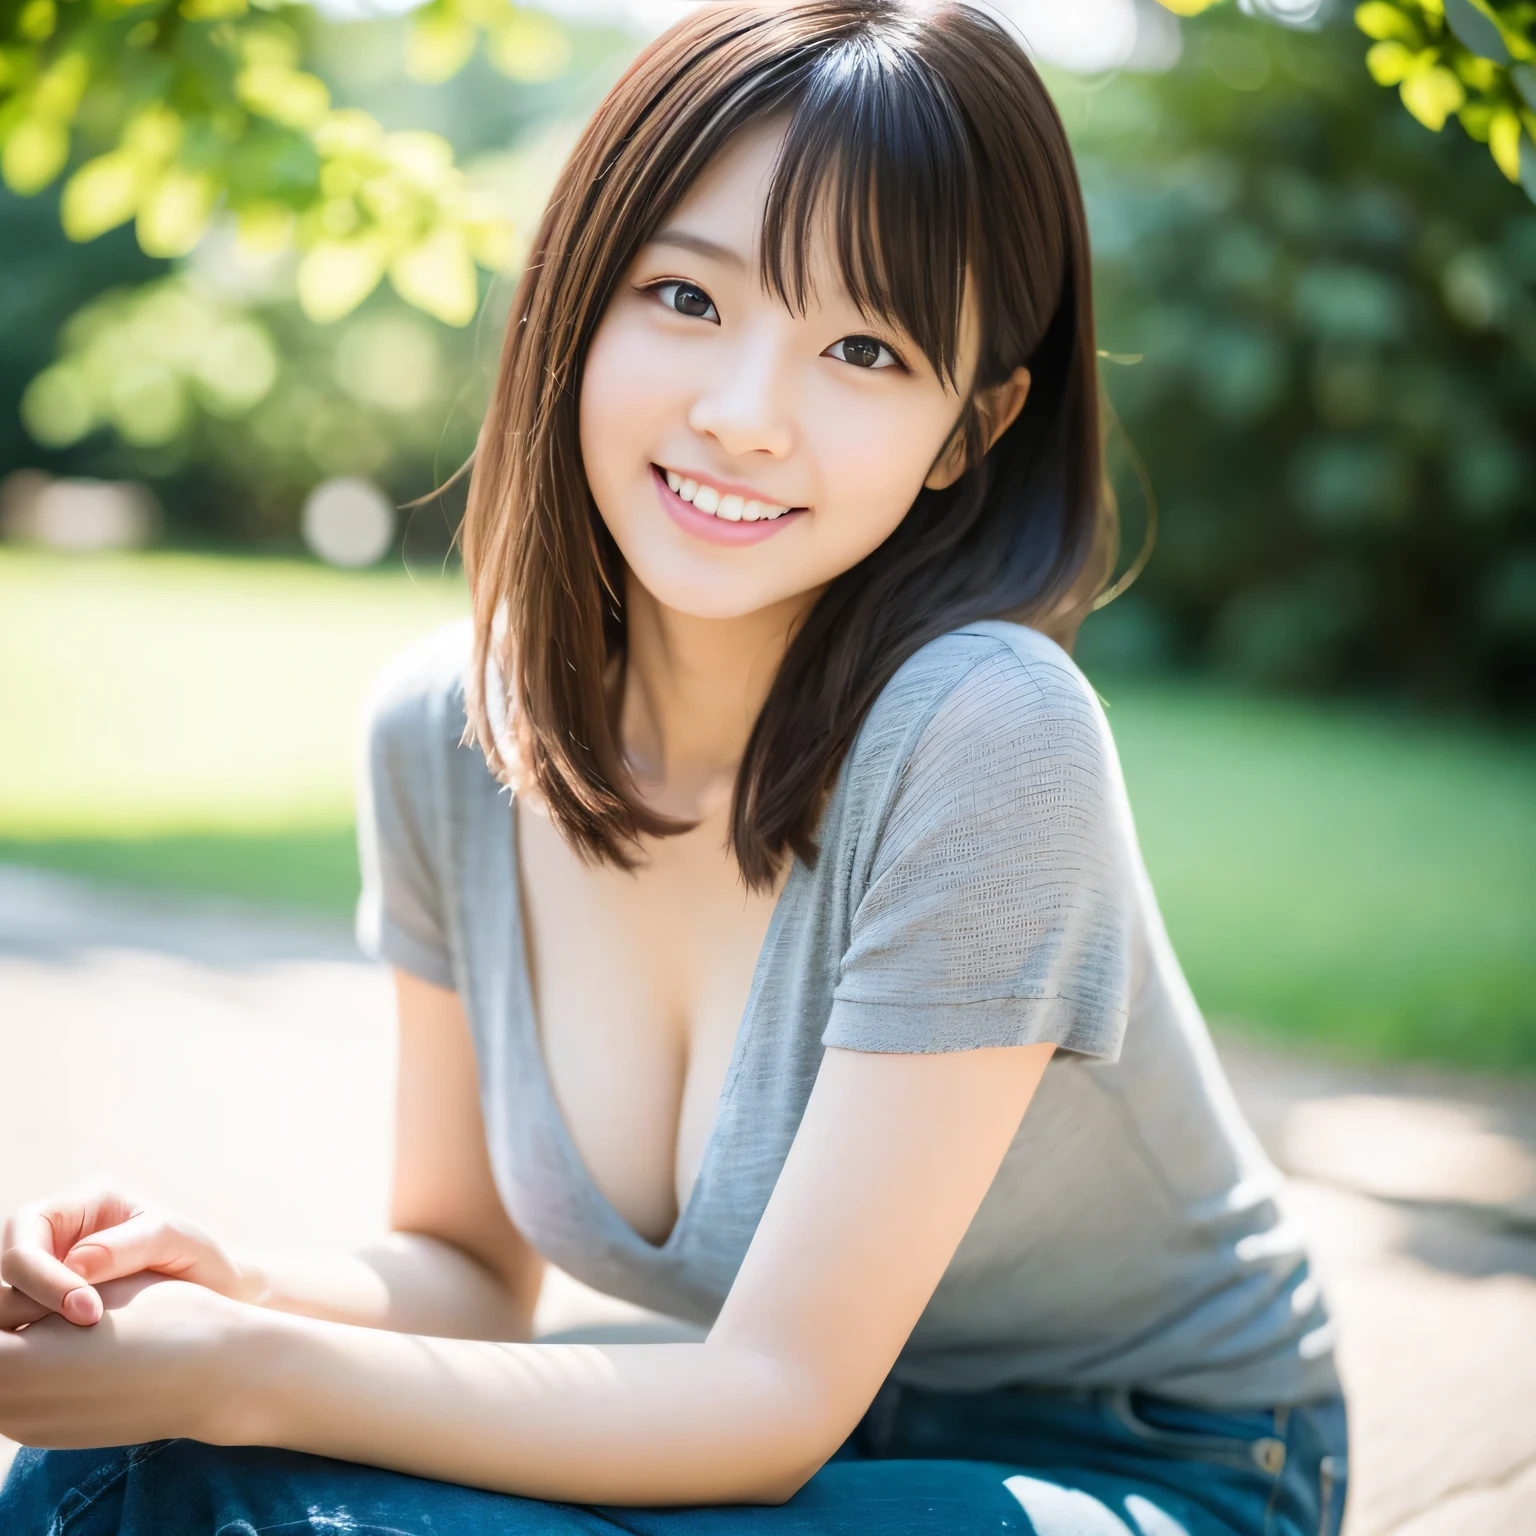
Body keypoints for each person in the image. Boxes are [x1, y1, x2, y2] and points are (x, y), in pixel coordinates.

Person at [0, 2, 1349, 1531]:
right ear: (581, 293)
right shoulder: (446, 734)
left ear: (970, 430)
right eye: (686, 298)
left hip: (1138, 1461)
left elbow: (769, 1408)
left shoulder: (988, 735)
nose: (743, 416)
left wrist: (243, 1372)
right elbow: (463, 1272)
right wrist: (215, 1290)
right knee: (120, 1475)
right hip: (758, 1422)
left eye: (861, 346)